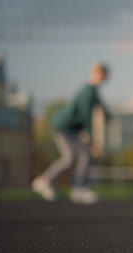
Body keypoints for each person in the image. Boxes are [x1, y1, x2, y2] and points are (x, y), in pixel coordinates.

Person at [31, 63, 110, 204]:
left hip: (67, 128)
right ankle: (79, 189)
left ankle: (44, 180)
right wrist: (92, 142)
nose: (102, 79)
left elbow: (101, 106)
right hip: (65, 127)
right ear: (95, 74)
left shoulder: (93, 92)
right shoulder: (88, 91)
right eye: (100, 76)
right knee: (85, 154)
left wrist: (108, 115)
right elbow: (87, 118)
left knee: (69, 159)